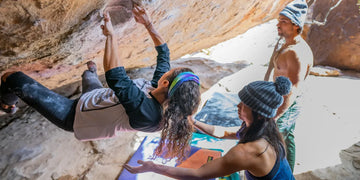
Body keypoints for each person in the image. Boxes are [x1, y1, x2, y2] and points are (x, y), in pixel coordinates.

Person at [0, 5, 201, 162]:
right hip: (97, 98)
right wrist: (148, 24)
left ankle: (7, 104)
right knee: (89, 76)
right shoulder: (161, 90)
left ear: (166, 82)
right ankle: (90, 73)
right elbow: (164, 55)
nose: (165, 70)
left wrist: (111, 36)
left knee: (12, 77)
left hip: (73, 115)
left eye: (168, 73)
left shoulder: (149, 114)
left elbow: (116, 77)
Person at [124, 76, 295, 180]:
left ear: (259, 113)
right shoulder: (267, 128)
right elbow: (223, 133)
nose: (238, 105)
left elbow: (198, 174)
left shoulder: (250, 151)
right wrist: (194, 121)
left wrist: (154, 167)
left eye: (244, 104)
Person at [263, 0, 313, 172]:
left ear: (295, 26)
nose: (278, 24)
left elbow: (292, 90)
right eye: (279, 20)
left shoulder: (294, 53)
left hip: (286, 105)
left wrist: (274, 116)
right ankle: (288, 174)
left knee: (277, 143)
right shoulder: (292, 45)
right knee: (287, 138)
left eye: (283, 22)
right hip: (289, 103)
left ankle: (283, 174)